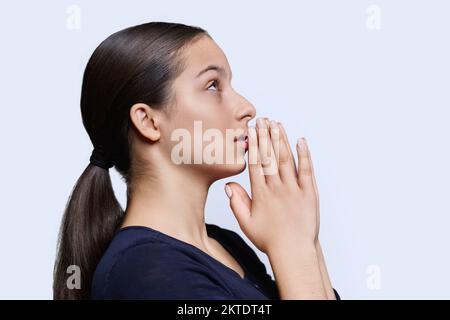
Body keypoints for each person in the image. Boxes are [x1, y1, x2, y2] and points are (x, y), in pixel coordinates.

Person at [53, 21, 340, 300]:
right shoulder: (143, 270)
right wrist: (292, 246)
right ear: (148, 121)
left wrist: (305, 237)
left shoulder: (227, 246)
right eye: (213, 86)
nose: (247, 108)